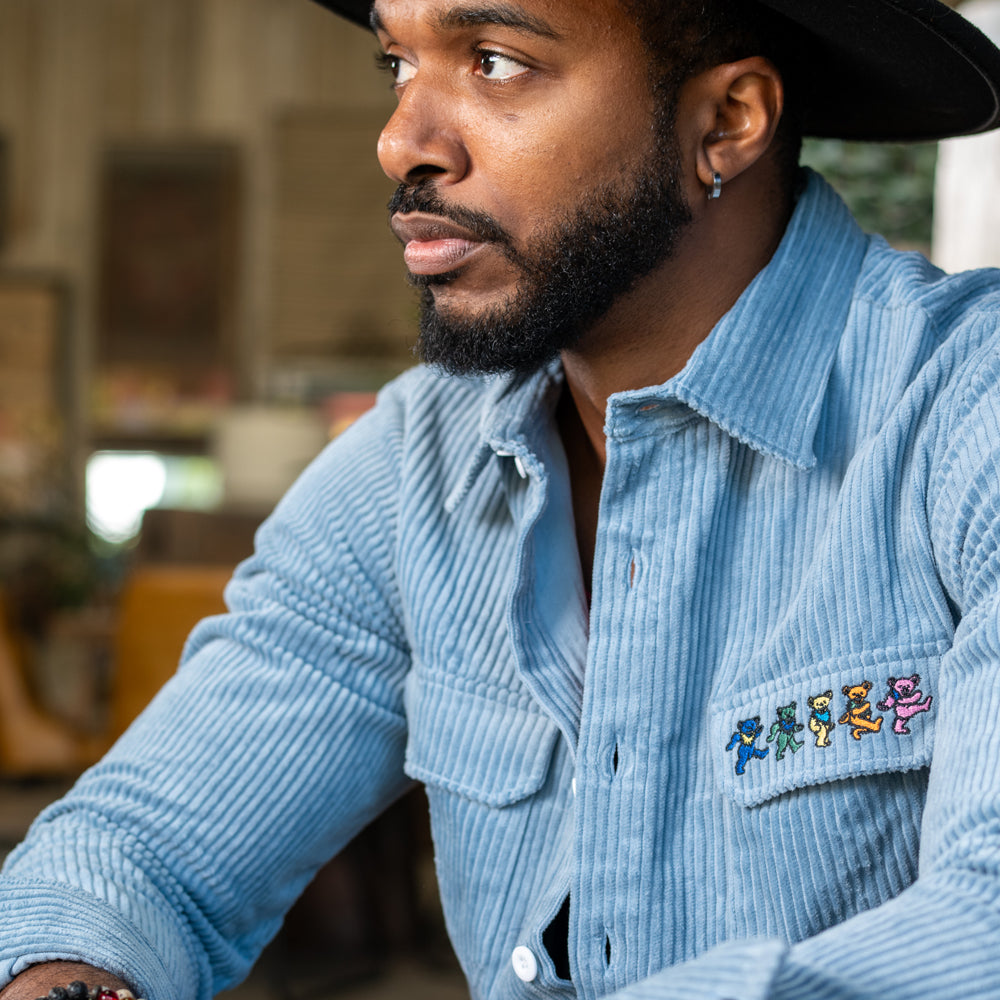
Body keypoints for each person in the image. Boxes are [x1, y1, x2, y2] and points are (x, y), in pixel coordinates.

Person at [3, 0, 1000, 997]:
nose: (403, 142)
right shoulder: (418, 462)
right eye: (398, 64)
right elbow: (142, 854)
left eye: (494, 61)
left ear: (727, 120)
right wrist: (71, 977)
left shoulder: (965, 414)